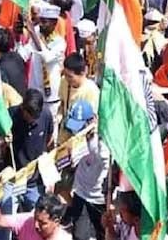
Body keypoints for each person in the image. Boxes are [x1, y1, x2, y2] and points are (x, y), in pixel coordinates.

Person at [64, 101, 108, 240]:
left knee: (102, 234)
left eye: (81, 126)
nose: (77, 131)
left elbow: (105, 159)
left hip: (99, 198)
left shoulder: (102, 142)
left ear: (92, 121)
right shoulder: (76, 138)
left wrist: (100, 136)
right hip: (81, 193)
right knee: (79, 235)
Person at [10, 89, 53, 209]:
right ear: (22, 108)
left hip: (34, 182)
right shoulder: (11, 116)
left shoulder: (46, 115)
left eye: (35, 117)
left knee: (36, 218)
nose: (31, 120)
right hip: (13, 179)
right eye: (29, 116)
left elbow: (49, 140)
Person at [0, 193, 71, 240]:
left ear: (56, 222)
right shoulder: (27, 221)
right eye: (35, 219)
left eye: (42, 223)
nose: (35, 225)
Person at [57, 54, 99, 142]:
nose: (67, 79)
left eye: (70, 76)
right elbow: (62, 103)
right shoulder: (64, 82)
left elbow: (92, 121)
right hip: (65, 134)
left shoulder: (91, 91)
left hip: (81, 137)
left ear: (82, 73)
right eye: (65, 75)